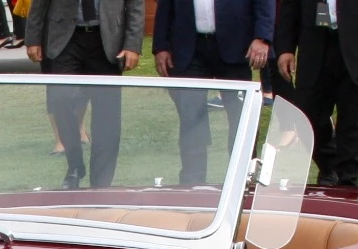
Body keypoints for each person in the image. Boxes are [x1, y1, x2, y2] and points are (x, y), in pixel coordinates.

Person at [24, 0, 143, 190]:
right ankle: (75, 166)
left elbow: (135, 4)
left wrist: (133, 44)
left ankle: (101, 182)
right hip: (66, 39)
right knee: (60, 99)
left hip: (108, 41)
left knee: (107, 115)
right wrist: (32, 38)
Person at [152, 0, 272, 187]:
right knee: (191, 116)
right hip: (189, 47)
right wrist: (160, 46)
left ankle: (243, 181)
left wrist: (262, 37)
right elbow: (165, 6)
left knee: (241, 117)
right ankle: (193, 182)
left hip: (235, 45)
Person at [277, 0, 358, 187]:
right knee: (306, 116)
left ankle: (348, 182)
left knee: (352, 122)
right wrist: (285, 48)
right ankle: (329, 165)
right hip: (314, 46)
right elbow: (289, 6)